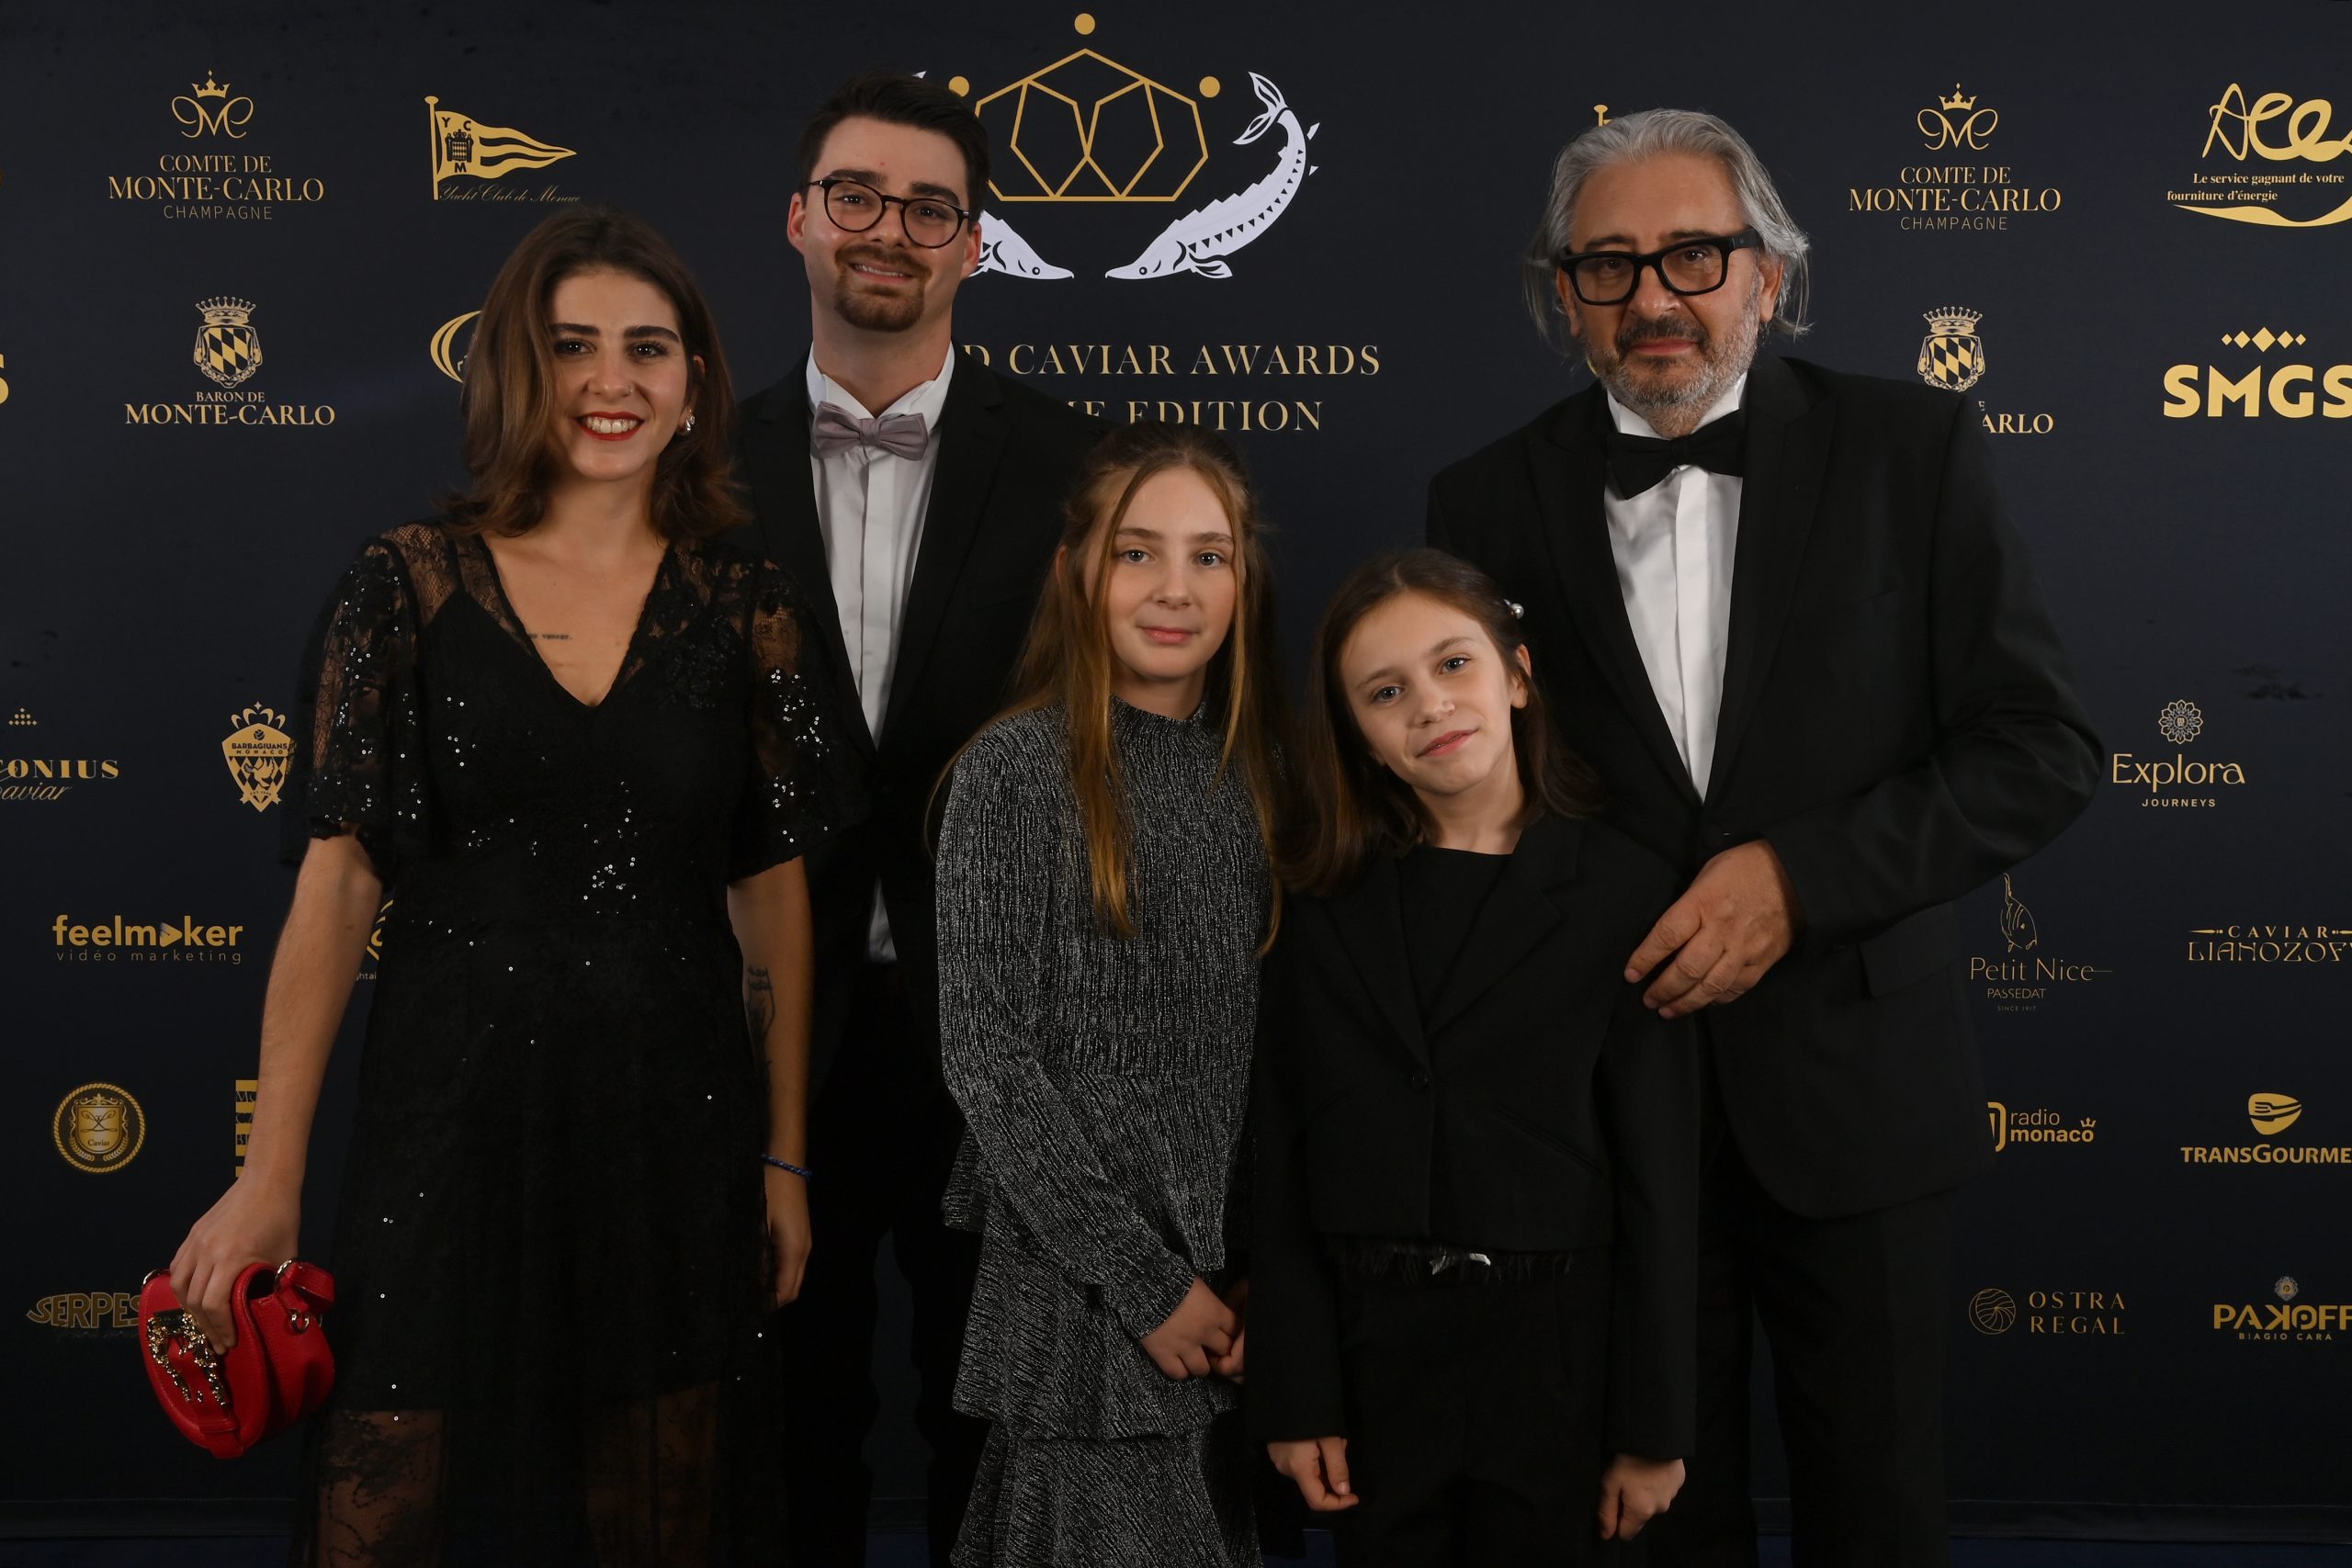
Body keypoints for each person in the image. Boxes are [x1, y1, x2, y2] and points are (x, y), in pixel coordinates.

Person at [1426, 109, 2101, 1567]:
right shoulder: (1480, 499)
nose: (1652, 297)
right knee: (1652, 1525)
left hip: (1861, 1094)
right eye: (1608, 264)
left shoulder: (1912, 447)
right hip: (1604, 1106)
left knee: (1877, 1515)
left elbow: (2038, 748)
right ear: (1564, 295)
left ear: (1769, 276)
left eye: (1694, 254)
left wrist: (1799, 878)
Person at [166, 206, 858, 1563]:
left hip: (674, 1134)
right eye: (570, 345)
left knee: (660, 1514)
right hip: (448, 1127)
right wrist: (268, 1176)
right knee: (398, 1505)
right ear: (511, 372)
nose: (611, 381)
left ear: (694, 380)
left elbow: (771, 895)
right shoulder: (403, 586)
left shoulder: (748, 602)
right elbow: (336, 891)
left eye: (647, 348)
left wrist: (782, 1155)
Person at [729, 72, 1101, 1565]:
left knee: (997, 1436)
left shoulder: (1083, 471)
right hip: (763, 1038)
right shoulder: (689, 467)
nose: (890, 229)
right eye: (858, 196)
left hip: (1007, 1037)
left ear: (975, 242)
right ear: (799, 219)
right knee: (779, 1431)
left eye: (930, 207)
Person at [1250, 547, 1697, 1565]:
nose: (1430, 705)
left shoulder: (1625, 891)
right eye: (1385, 692)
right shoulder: (1317, 900)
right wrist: (1298, 1392)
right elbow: (1281, 1158)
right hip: (1374, 1356)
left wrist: (1653, 1424)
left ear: (1518, 676)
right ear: (1357, 735)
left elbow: (1662, 1183)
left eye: (1453, 664)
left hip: (1559, 1359)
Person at [931, 423, 1286, 1568]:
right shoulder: (1014, 773)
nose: (1174, 588)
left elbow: (1269, 1062)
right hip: (1083, 1294)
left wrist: (1258, 1273)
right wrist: (1144, 1284)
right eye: (1138, 553)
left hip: (1226, 1298)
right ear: (1075, 571)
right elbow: (986, 1057)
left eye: (1208, 556)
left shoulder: (1262, 780)